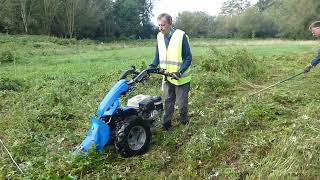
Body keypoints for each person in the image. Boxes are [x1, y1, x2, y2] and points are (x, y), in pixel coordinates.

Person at [148, 13, 192, 131]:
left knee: (181, 104)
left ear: (170, 24)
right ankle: (166, 125)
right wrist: (152, 65)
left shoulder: (180, 36)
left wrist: (180, 72)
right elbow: (157, 55)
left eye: (163, 25)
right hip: (167, 77)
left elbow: (188, 58)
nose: (160, 28)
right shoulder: (159, 36)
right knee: (168, 102)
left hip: (181, 78)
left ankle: (184, 122)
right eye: (159, 25)